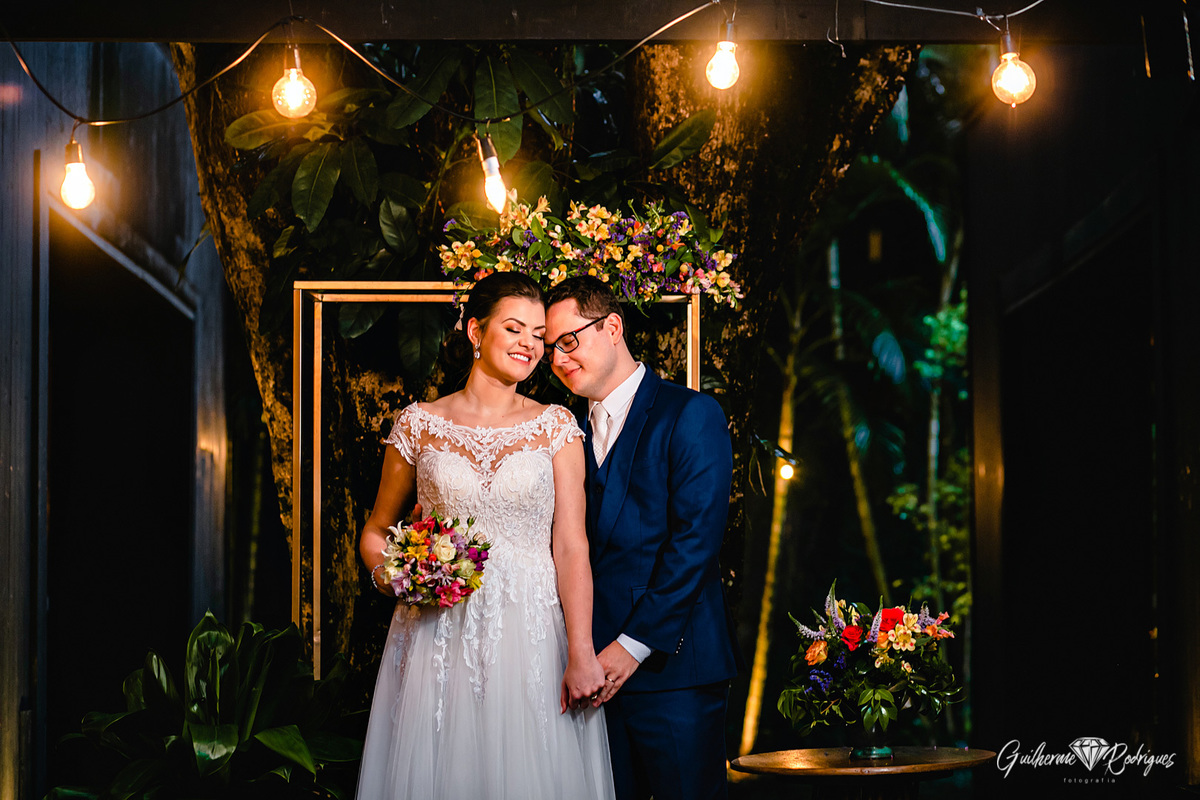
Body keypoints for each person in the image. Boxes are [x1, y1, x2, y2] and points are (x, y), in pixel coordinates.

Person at [356, 272, 616, 800]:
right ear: (476, 331)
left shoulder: (557, 427)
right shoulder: (419, 424)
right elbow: (377, 531)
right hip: (437, 634)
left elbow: (571, 546)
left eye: (538, 335)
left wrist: (582, 651)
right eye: (514, 328)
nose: (529, 345)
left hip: (532, 635)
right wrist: (400, 577)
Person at [544, 275, 743, 800]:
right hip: (584, 673)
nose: (559, 359)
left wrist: (630, 648)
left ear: (612, 327)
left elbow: (695, 544)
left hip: (675, 669)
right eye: (550, 348)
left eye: (569, 340)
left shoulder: (691, 413)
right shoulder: (560, 430)